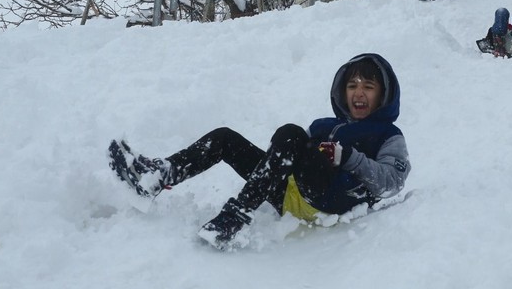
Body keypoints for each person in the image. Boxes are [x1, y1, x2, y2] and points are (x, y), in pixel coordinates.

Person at [107, 53, 410, 250]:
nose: (358, 92)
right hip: (290, 195)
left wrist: (349, 158)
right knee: (226, 138)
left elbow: (392, 182)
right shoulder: (323, 124)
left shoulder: (387, 134)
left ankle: (234, 218)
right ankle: (157, 177)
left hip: (332, 200)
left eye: (368, 86)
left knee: (291, 133)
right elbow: (285, 154)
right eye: (352, 85)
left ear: (383, 94)